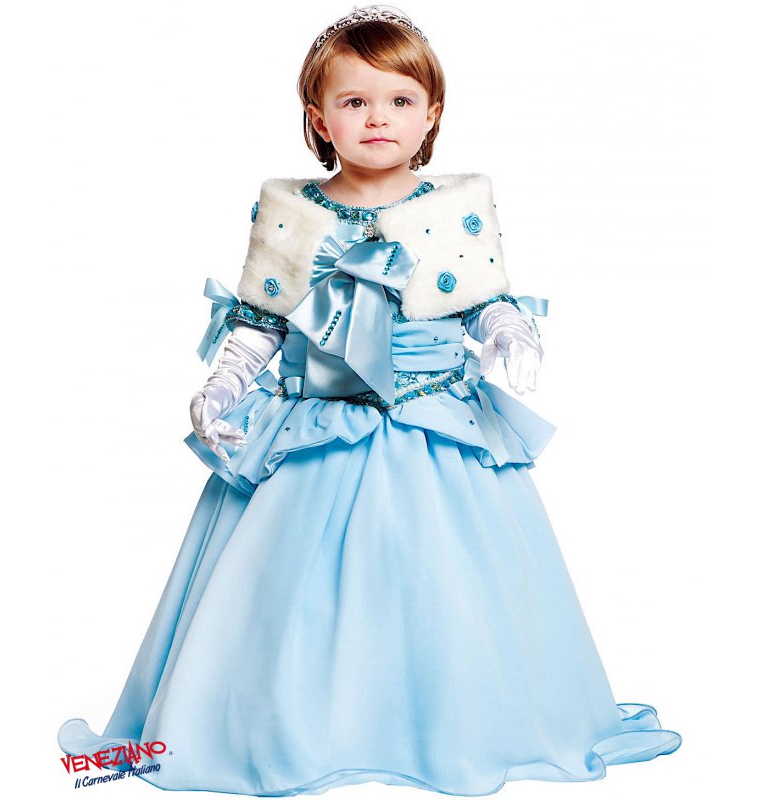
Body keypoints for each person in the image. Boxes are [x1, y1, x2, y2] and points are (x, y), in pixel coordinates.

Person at [57, 5, 681, 795]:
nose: (377, 118)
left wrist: (507, 329)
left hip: (432, 428)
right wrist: (222, 383)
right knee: (286, 593)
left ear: (432, 115)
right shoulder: (294, 214)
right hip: (314, 432)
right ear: (320, 120)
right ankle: (288, 723)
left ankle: (447, 722)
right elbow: (261, 320)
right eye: (355, 101)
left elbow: (481, 296)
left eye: (399, 100)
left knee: (442, 585)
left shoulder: (452, 209)